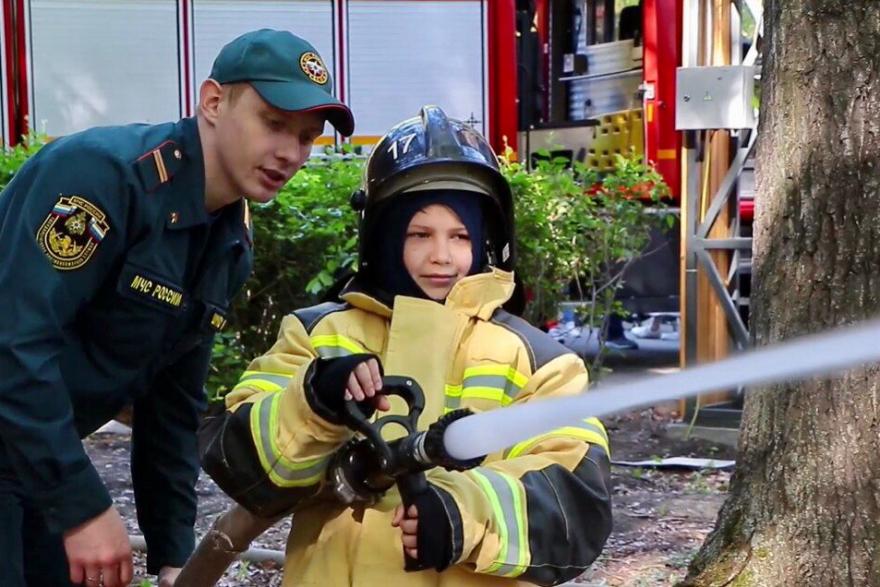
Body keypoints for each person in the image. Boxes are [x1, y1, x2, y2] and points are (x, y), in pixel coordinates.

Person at [200, 106, 612, 586]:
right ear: (383, 237)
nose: (441, 255)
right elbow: (240, 463)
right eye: (419, 234)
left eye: (460, 236)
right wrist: (313, 402)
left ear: (487, 242)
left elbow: (576, 499)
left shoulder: (541, 362)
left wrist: (464, 516)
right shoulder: (316, 335)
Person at [0, 28, 353, 587]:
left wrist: (173, 558)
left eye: (308, 138)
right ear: (213, 102)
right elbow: (13, 345)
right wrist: (82, 505)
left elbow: (171, 406)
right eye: (274, 123)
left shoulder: (230, 238)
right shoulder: (102, 178)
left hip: (28, 459)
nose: (291, 153)